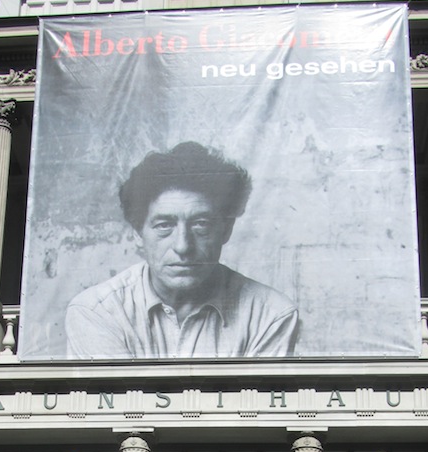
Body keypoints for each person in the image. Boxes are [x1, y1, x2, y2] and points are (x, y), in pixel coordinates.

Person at [65, 142, 299, 359]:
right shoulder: (96, 312)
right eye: (164, 226)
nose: (183, 246)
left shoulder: (271, 315)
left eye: (201, 224)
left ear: (226, 230)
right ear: (137, 233)